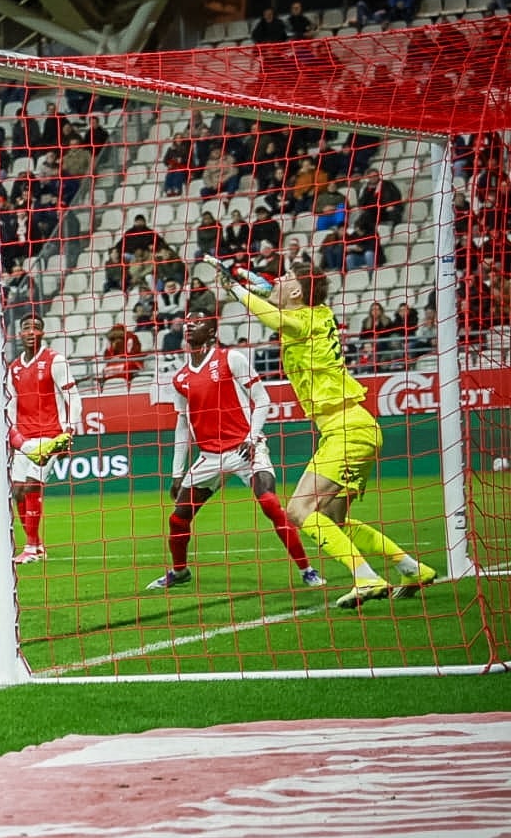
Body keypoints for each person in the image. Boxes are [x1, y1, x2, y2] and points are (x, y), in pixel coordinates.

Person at [207, 255, 433, 607]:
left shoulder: (300, 322)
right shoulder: (320, 313)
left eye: (286, 277)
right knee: (332, 520)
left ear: (298, 291)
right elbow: (275, 297)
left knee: (298, 511)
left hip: (346, 431)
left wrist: (235, 288)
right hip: (358, 426)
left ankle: (367, 579)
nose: (278, 280)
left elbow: (273, 316)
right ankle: (411, 568)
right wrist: (247, 283)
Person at [146, 312, 320, 593]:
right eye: (187, 323)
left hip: (244, 449)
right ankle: (179, 572)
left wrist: (252, 437)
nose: (189, 326)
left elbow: (262, 399)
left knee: (270, 504)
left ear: (212, 332)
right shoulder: (180, 378)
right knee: (178, 518)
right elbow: (182, 425)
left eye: (197, 322)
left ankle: (307, 570)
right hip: (209, 458)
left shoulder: (232, 359)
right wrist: (177, 473)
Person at [5, 316, 80, 564]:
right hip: (24, 439)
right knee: (17, 491)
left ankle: (30, 547)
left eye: (36, 328)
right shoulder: (14, 367)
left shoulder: (55, 360)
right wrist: (13, 436)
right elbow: (11, 405)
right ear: (19, 333)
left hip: (50, 436)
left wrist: (70, 430)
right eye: (26, 328)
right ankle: (36, 546)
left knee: (31, 485)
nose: (31, 332)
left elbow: (73, 396)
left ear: (43, 333)